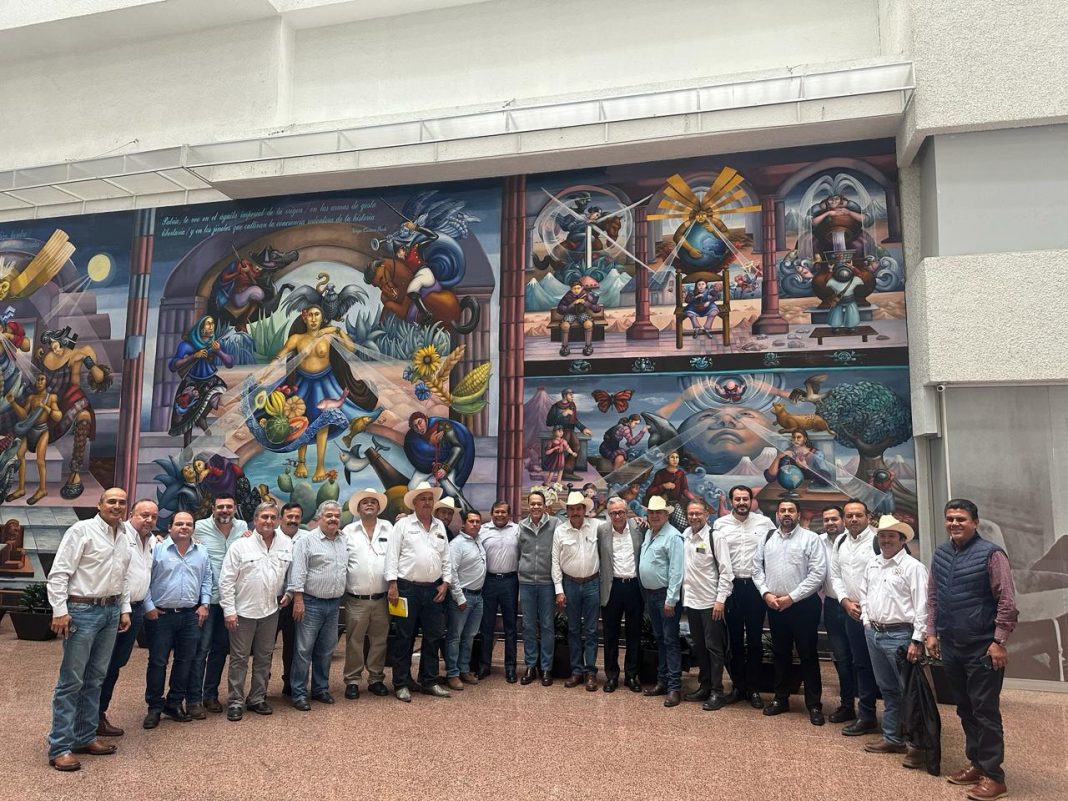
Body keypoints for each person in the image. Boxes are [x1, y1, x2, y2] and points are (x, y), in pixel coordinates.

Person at [926, 499, 1018, 801]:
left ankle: (995, 777)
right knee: (965, 708)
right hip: (951, 645)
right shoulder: (941, 554)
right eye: (950, 518)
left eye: (961, 519)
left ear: (975, 522)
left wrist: (999, 641)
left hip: (983, 647)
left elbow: (1007, 601)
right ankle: (977, 764)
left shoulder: (992, 554)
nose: (954, 523)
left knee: (985, 711)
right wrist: (931, 632)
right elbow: (933, 597)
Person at [45, 488, 132, 772]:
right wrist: (60, 610)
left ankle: (84, 737)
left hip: (110, 611)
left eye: (122, 502)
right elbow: (59, 573)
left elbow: (124, 576)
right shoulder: (81, 531)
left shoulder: (124, 536)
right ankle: (60, 746)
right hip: (82, 612)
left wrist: (124, 609)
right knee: (71, 681)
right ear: (100, 504)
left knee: (95, 678)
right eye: (112, 501)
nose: (117, 506)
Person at [860, 515, 928, 767]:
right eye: (882, 536)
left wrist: (917, 640)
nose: (886, 540)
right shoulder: (873, 564)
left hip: (901, 635)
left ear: (902, 540)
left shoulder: (913, 567)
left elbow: (923, 606)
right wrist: (866, 620)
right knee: (888, 689)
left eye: (891, 536)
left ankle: (917, 746)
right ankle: (892, 738)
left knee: (910, 692)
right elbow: (864, 594)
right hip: (874, 634)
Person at [755, 498, 828, 725]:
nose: (787, 514)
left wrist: (792, 598)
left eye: (791, 510)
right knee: (780, 653)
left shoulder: (811, 538)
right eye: (783, 510)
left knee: (808, 655)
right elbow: (756, 568)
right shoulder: (767, 538)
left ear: (798, 514)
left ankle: (814, 705)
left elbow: (818, 574)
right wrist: (766, 593)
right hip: (775, 605)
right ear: (777, 514)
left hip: (803, 606)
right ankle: (781, 698)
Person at [219, 503, 293, 721]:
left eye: (273, 517)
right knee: (239, 659)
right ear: (255, 520)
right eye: (264, 517)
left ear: (278, 520)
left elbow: (289, 574)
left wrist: (289, 593)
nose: (268, 521)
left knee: (264, 657)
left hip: (271, 611)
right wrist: (229, 611)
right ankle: (235, 701)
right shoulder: (240, 546)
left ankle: (257, 698)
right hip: (242, 612)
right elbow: (226, 580)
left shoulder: (286, 544)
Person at [142, 512, 212, 729]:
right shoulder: (157, 549)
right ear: (169, 527)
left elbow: (207, 578)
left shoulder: (201, 552)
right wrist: (148, 606)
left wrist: (205, 604)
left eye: (188, 524)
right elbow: (144, 578)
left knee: (185, 661)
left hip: (190, 615)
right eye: (179, 524)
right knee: (158, 662)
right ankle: (154, 707)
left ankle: (174, 703)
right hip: (161, 615)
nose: (184, 527)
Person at [386, 482, 453, 702]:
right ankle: (401, 683)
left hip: (434, 589)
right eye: (422, 499)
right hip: (407, 588)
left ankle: (429, 681)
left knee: (433, 637)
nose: (427, 502)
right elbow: (392, 555)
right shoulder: (403, 525)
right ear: (414, 503)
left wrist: (446, 583)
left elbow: (446, 557)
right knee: (405, 637)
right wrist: (392, 584)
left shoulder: (439, 526)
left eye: (430, 499)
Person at [96, 499, 158, 736]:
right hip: (116, 609)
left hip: (136, 609)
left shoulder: (152, 541)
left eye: (153, 516)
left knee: (116, 663)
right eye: (144, 515)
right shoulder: (120, 537)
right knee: (101, 665)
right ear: (131, 514)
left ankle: (98, 715)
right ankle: (88, 718)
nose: (149, 520)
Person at [714, 485, 773, 707]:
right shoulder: (720, 525)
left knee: (756, 640)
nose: (741, 503)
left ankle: (754, 688)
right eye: (737, 499)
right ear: (731, 501)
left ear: (751, 501)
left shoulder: (765, 523)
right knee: (735, 640)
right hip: (732, 588)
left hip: (756, 588)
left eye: (745, 499)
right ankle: (738, 686)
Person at [288, 500, 347, 711]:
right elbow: (298, 572)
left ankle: (320, 689)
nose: (333, 519)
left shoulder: (343, 540)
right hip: (310, 603)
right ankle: (299, 693)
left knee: (326, 649)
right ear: (319, 518)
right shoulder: (307, 541)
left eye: (336, 516)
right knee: (304, 650)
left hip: (334, 604)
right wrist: (298, 600)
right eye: (329, 515)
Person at [830, 499, 880, 734]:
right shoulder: (840, 541)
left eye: (858, 515)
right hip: (851, 611)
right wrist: (845, 602)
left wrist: (866, 605)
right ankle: (865, 715)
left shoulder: (879, 540)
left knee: (882, 667)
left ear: (868, 517)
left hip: (876, 614)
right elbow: (835, 576)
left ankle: (897, 719)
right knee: (859, 664)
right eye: (849, 515)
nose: (853, 519)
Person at [681, 499, 734, 710]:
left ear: (707, 515)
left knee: (714, 649)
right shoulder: (685, 535)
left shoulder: (715, 537)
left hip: (711, 604)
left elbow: (727, 572)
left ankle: (717, 692)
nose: (694, 517)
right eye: (691, 513)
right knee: (700, 647)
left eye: (698, 513)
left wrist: (720, 600)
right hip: (692, 602)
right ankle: (704, 686)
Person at [340, 489, 392, 700]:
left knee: (380, 640)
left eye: (373, 502)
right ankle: (352, 680)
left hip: (383, 598)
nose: (369, 504)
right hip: (356, 599)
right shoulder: (348, 531)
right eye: (365, 502)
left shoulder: (389, 528)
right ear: (358, 508)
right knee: (354, 641)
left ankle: (376, 679)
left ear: (378, 507)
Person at [552, 490, 601, 691]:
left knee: (591, 630)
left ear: (584, 509)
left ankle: (591, 672)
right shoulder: (560, 531)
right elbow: (555, 561)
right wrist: (559, 589)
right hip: (569, 585)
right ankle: (576, 671)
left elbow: (618, 525)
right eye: (571, 509)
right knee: (573, 630)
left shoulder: (597, 526)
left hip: (592, 584)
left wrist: (637, 522)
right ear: (567, 511)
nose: (575, 512)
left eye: (578, 508)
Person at [639, 495, 685, 707]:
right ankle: (662, 682)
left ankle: (674, 687)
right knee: (660, 639)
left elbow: (676, 570)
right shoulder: (649, 532)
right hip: (651, 595)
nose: (655, 515)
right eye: (651, 512)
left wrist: (671, 600)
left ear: (666, 515)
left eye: (659, 512)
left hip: (665, 596)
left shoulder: (673, 537)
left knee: (670, 641)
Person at [596, 497, 644, 693]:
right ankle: (611, 676)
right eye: (614, 513)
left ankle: (631, 675)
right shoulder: (602, 531)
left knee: (634, 634)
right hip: (612, 587)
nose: (617, 516)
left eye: (621, 512)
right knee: (610, 634)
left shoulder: (639, 528)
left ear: (627, 512)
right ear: (609, 514)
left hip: (634, 587)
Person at [167, 314, 234, 449]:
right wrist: (193, 357)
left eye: (212, 324)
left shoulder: (214, 344)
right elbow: (173, 365)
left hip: (210, 379)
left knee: (218, 394)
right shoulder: (187, 345)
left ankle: (202, 417)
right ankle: (187, 445)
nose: (211, 327)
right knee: (187, 413)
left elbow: (229, 363)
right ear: (200, 327)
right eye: (208, 324)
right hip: (191, 381)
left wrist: (219, 351)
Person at [478, 501, 520, 682]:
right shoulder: (482, 530)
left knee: (510, 627)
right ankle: (484, 665)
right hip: (489, 581)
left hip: (510, 581)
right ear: (491, 513)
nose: (500, 515)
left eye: (504, 512)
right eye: (497, 512)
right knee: (487, 625)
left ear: (509, 514)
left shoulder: (517, 530)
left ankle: (510, 667)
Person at [445, 510, 487, 691]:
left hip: (478, 596)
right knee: (455, 636)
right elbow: (451, 572)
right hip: (462, 597)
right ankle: (452, 673)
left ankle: (464, 669)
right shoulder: (457, 544)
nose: (475, 524)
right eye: (471, 521)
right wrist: (459, 597)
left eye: (478, 521)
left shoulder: (478, 541)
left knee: (469, 636)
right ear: (463, 524)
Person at [518, 490, 556, 686]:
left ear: (544, 505)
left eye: (539, 503)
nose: (535, 507)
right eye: (532, 503)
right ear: (528, 505)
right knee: (528, 626)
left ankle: (547, 667)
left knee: (548, 626)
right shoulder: (521, 526)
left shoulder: (555, 524)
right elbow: (518, 553)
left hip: (547, 583)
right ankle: (531, 665)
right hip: (526, 583)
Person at [275, 502, 304, 697]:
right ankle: (261, 685)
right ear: (281, 518)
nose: (293, 520)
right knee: (265, 646)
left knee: (293, 644)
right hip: (273, 600)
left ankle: (289, 683)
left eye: (297, 517)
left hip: (296, 600)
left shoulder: (308, 537)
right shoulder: (270, 535)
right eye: (289, 516)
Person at [545, 389, 591, 481]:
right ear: (565, 395)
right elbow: (549, 422)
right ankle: (558, 471)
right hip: (560, 432)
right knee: (563, 449)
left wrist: (583, 428)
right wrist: (563, 414)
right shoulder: (556, 407)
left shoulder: (572, 405)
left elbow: (574, 420)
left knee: (576, 447)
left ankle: (568, 471)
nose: (572, 396)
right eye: (570, 395)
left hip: (570, 430)